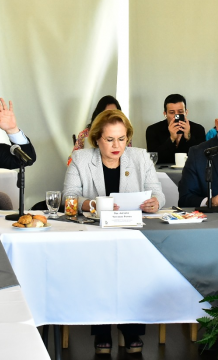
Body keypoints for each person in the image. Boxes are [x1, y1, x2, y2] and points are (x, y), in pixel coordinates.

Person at [62, 108, 163, 355]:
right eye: (110, 139)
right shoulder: (81, 159)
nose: (117, 146)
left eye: (122, 138)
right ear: (97, 139)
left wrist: (155, 203)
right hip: (95, 235)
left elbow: (158, 192)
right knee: (100, 265)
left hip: (131, 234)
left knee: (134, 267)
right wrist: (91, 204)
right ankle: (102, 331)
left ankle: (131, 330)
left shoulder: (140, 157)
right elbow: (69, 197)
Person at [68, 95, 130, 166]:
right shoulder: (85, 134)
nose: (111, 117)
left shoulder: (125, 133)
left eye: (115, 113)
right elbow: (71, 160)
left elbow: (129, 158)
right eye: (107, 114)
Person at [145, 93, 206, 164]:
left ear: (186, 112)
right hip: (162, 170)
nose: (176, 116)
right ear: (165, 114)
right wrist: (171, 139)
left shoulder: (198, 129)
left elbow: (201, 157)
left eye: (180, 112)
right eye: (172, 112)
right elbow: (154, 158)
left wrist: (188, 137)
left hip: (190, 169)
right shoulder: (153, 130)